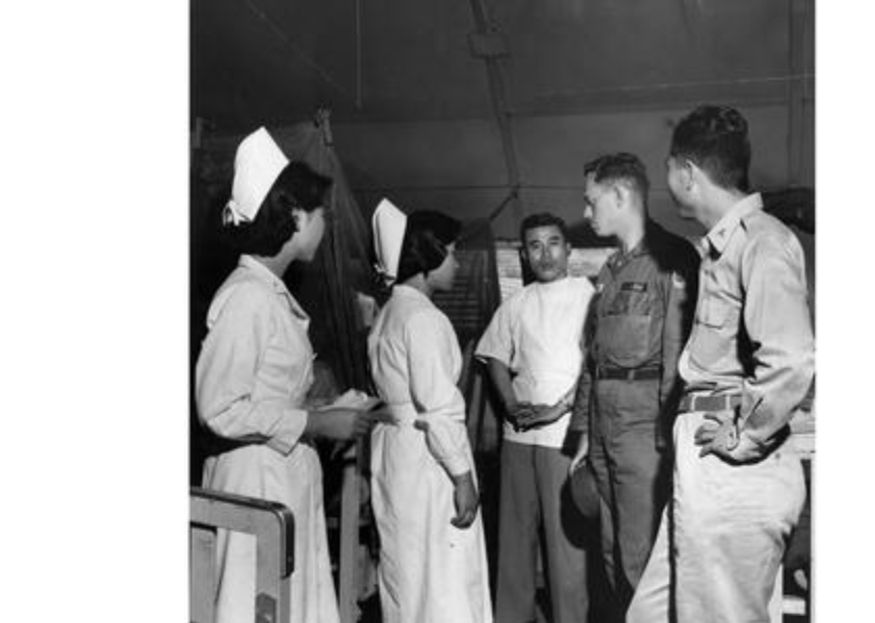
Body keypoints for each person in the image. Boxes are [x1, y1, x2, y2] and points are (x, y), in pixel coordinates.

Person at [626, 105, 814, 623]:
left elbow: (792, 356)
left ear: (687, 173)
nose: (666, 181)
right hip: (708, 464)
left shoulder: (762, 241)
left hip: (735, 467)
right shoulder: (724, 248)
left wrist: (746, 435)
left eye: (667, 169)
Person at [196, 127, 382, 623]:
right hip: (254, 483)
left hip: (278, 474)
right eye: (323, 215)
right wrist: (318, 425)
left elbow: (264, 394)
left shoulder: (269, 293)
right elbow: (218, 407)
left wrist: (324, 411)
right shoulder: (248, 297)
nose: (325, 226)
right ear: (296, 217)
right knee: (253, 605)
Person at [568, 153, 699, 619]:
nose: (587, 214)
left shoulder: (671, 261)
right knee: (611, 555)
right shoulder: (611, 272)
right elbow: (594, 361)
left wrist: (669, 439)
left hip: (645, 432)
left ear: (620, 195)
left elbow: (677, 359)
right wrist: (585, 437)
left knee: (643, 557)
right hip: (605, 430)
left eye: (592, 201)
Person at [367, 199, 493, 623]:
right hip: (428, 456)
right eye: (453, 252)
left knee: (408, 572)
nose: (457, 263)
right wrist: (462, 477)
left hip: (396, 452)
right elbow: (439, 408)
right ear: (429, 257)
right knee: (443, 578)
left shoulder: (388, 314)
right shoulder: (424, 318)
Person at [475, 212, 594, 623]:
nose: (545, 253)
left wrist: (559, 408)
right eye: (535, 246)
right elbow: (493, 356)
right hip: (519, 440)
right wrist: (508, 403)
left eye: (553, 242)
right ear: (524, 254)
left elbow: (594, 368)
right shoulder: (517, 304)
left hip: (563, 439)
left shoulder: (589, 296)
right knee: (514, 547)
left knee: (566, 552)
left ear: (569, 249)